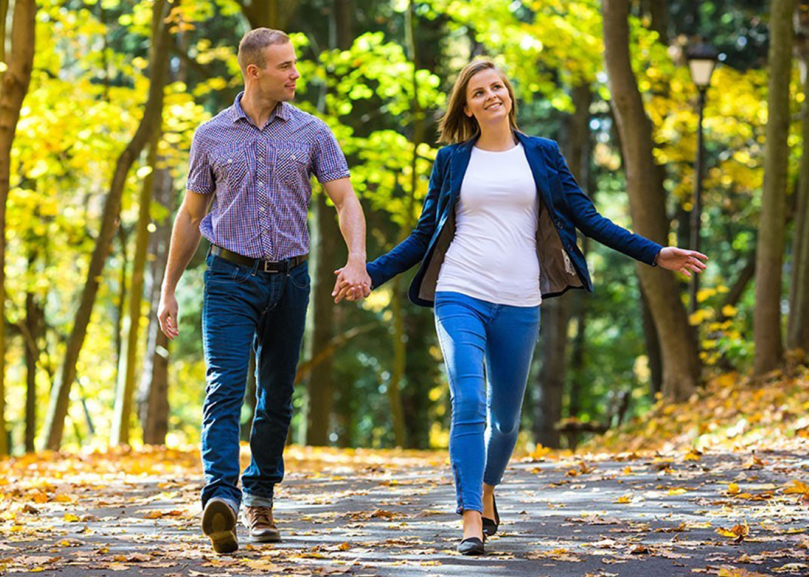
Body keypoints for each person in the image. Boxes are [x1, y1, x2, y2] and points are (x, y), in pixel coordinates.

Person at [332, 59, 706, 556]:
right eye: (479, 92)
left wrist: (655, 253)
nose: (491, 96)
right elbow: (424, 235)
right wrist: (369, 273)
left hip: (519, 299)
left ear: (509, 95)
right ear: (467, 107)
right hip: (460, 291)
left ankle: (486, 486)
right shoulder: (452, 160)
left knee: (506, 422)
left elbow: (588, 217)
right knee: (469, 400)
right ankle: (469, 517)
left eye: (497, 87)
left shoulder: (542, 154)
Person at [158, 28, 372, 554]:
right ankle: (221, 498)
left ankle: (259, 499)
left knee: (276, 396)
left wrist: (357, 259)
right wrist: (168, 289)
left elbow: (345, 201)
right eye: (285, 66)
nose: (295, 74)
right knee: (224, 387)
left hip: (290, 280)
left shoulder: (312, 132)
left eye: (295, 64)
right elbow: (191, 215)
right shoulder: (211, 135)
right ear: (254, 72)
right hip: (228, 278)